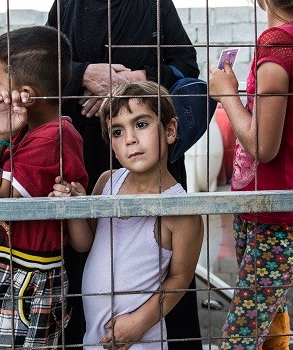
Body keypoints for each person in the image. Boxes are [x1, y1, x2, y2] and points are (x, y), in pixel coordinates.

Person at [46, 0, 202, 348]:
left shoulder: (155, 1)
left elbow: (185, 68)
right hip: (89, 152)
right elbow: (43, 67)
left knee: (162, 255)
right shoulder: (67, 0)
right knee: (90, 250)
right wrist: (82, 75)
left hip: (147, 147)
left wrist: (134, 82)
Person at [207, 0, 293, 350]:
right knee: (268, 318)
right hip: (266, 204)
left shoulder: (278, 44)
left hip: (274, 211)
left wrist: (227, 95)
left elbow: (263, 146)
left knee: (239, 336)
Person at [50, 81, 204, 350]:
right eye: (117, 132)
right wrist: (74, 207)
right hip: (95, 336)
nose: (130, 139)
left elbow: (180, 278)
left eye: (141, 124)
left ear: (170, 130)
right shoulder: (107, 182)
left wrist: (139, 322)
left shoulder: (180, 210)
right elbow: (84, 243)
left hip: (140, 340)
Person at [0, 26, 89, 349]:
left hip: (27, 279)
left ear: (26, 94)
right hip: (4, 269)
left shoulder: (52, 138)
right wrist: (0, 134)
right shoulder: (24, 129)